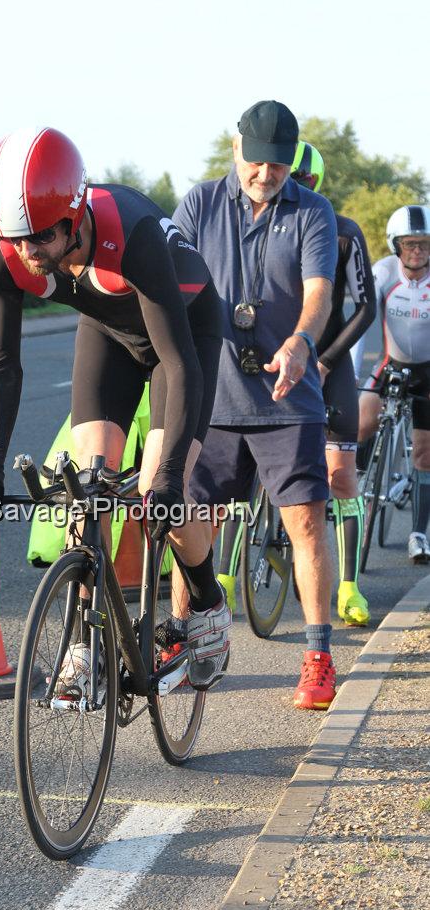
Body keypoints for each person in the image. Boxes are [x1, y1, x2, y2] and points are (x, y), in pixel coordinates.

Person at [0, 126, 230, 693]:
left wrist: (166, 478)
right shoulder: (5, 249)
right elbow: (1, 367)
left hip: (182, 337)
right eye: (14, 240)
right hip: (108, 330)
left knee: (167, 490)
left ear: (74, 214)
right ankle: (84, 646)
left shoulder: (129, 233)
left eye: (38, 237)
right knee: (88, 484)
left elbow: (180, 365)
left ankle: (207, 602)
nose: (27, 252)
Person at [174, 100, 339, 711]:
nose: (265, 175)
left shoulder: (312, 210)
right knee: (189, 529)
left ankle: (318, 656)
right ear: (235, 148)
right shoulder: (198, 204)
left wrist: (301, 340)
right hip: (211, 397)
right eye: (256, 162)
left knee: (304, 524)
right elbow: (171, 281)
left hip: (286, 396)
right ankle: (192, 641)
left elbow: (318, 293)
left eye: (278, 165)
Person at [215, 142, 376, 627]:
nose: (292, 188)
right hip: (269, 368)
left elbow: (364, 308)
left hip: (327, 364)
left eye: (304, 183)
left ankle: (347, 586)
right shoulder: (241, 218)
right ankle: (222, 576)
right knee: (230, 486)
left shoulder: (340, 231)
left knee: (340, 475)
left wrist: (323, 360)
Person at [352, 206, 430, 564]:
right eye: (410, 244)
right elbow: (360, 322)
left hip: (427, 372)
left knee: (424, 453)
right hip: (389, 363)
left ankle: (418, 534)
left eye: (424, 244)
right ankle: (351, 490)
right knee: (362, 422)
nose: (417, 250)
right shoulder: (382, 272)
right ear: (396, 245)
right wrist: (354, 375)